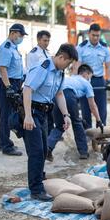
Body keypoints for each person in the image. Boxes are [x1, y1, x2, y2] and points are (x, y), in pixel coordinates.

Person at [21, 44, 78, 201]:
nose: (68, 67)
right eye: (68, 63)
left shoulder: (59, 73)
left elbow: (59, 94)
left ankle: (39, 180)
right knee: (37, 151)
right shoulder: (43, 67)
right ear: (61, 57)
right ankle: (36, 190)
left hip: (44, 113)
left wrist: (66, 115)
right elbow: (27, 89)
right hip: (31, 112)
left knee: (43, 150)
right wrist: (27, 116)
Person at [47, 64, 104, 161]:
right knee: (77, 123)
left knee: (59, 126)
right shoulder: (86, 83)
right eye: (90, 76)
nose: (90, 79)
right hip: (69, 95)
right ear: (86, 74)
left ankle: (48, 147)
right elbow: (92, 105)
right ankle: (83, 152)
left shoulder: (70, 78)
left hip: (56, 97)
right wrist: (99, 120)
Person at [0, 23, 27, 156]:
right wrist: (8, 87)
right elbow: (3, 68)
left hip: (14, 83)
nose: (21, 38)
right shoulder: (6, 47)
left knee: (8, 114)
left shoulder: (14, 47)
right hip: (6, 84)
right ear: (13, 33)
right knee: (6, 115)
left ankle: (2, 141)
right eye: (20, 35)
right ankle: (6, 146)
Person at [76, 23, 110, 129]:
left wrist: (109, 81)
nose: (96, 38)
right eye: (93, 35)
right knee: (85, 109)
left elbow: (109, 66)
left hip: (99, 81)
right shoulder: (81, 48)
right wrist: (76, 81)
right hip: (84, 81)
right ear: (89, 34)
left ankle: (101, 133)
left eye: (98, 35)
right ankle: (88, 134)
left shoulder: (105, 48)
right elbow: (77, 65)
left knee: (101, 110)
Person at [27, 30, 54, 135]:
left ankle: (49, 132)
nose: (46, 43)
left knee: (49, 112)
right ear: (38, 40)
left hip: (47, 86)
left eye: (48, 41)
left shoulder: (48, 53)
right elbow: (31, 71)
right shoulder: (33, 54)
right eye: (44, 40)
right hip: (37, 86)